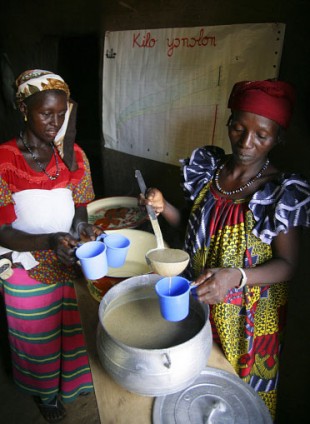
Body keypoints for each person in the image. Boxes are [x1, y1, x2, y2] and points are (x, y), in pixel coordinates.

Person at [141, 79, 310, 420]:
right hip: (198, 300)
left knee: (236, 400)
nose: (246, 142)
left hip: (246, 320)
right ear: (229, 123)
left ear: (278, 138)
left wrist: (238, 277)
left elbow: (290, 264)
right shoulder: (211, 171)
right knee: (192, 385)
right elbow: (190, 225)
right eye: (238, 128)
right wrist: (163, 207)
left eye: (261, 135)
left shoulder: (279, 193)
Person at [0, 69, 102, 423]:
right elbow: (2, 231)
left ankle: (72, 387)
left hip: (69, 261)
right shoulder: (4, 160)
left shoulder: (74, 156)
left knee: (74, 331)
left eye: (61, 114)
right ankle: (45, 393)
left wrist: (83, 228)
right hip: (25, 264)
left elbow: (81, 210)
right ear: (24, 110)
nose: (55, 122)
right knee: (36, 335)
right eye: (46, 113)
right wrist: (48, 241)